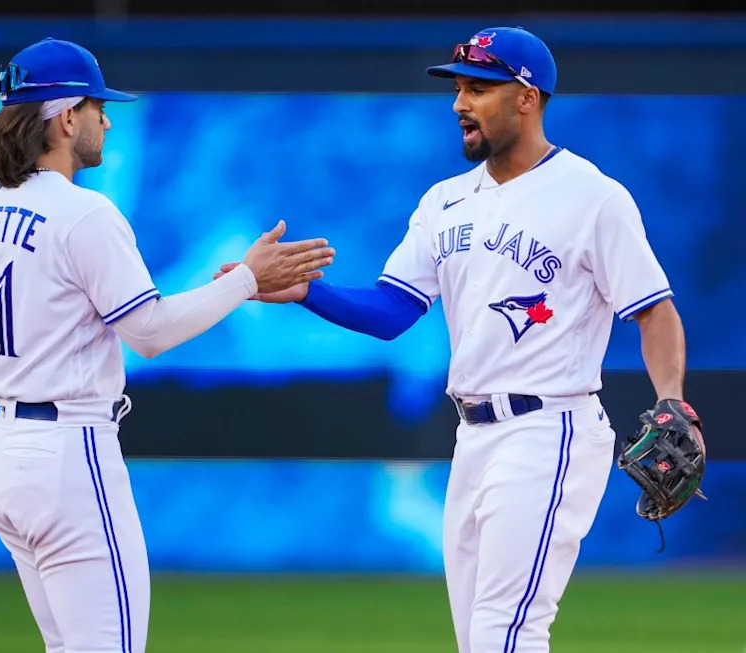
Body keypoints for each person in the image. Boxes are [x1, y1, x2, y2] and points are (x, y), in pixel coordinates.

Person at [216, 26, 700, 652]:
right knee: (479, 639)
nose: (459, 103)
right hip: (471, 439)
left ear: (527, 97)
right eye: (458, 89)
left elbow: (653, 309)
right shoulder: (445, 202)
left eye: (478, 88)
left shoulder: (593, 198)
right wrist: (311, 293)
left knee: (508, 632)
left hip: (547, 430)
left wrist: (672, 401)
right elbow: (393, 309)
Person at [0, 37, 334, 653]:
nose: (107, 119)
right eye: (97, 106)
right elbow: (150, 333)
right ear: (65, 117)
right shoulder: (83, 214)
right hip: (67, 456)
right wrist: (248, 279)